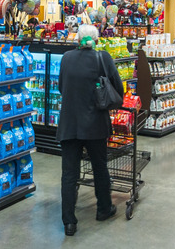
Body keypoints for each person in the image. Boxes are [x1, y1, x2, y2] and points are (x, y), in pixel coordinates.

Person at [57, 24, 123, 236]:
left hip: (69, 123)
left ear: (78, 40)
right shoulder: (102, 58)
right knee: (99, 168)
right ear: (96, 39)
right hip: (95, 124)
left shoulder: (66, 57)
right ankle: (104, 209)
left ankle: (69, 222)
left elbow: (61, 86)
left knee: (69, 174)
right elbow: (118, 89)